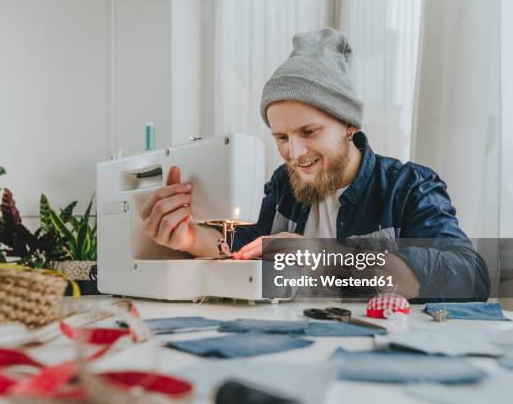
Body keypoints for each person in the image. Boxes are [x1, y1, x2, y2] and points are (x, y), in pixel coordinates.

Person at [139, 28, 489, 301]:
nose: (294, 152)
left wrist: (320, 255)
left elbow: (468, 275)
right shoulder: (284, 185)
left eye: (308, 131)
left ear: (349, 124)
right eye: (281, 137)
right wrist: (189, 237)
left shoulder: (409, 186)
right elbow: (242, 244)